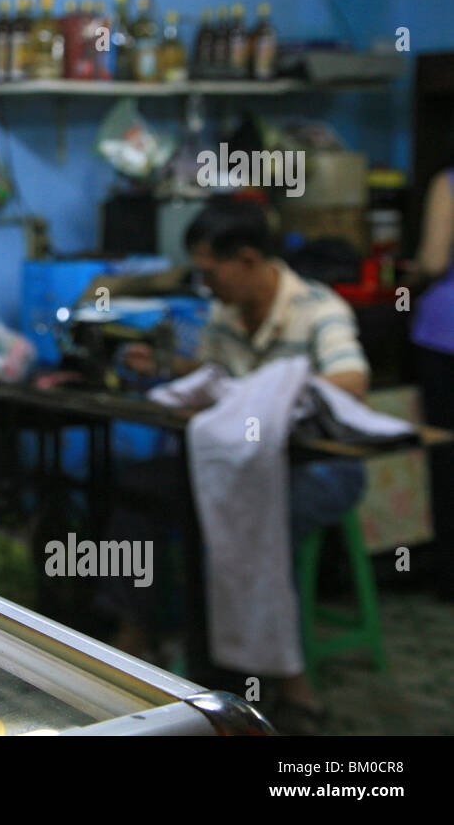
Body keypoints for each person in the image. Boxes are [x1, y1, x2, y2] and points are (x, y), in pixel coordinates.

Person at [114, 196, 369, 732]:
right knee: (143, 488)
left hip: (319, 468)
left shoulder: (318, 308)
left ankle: (292, 680)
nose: (205, 284)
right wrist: (165, 367)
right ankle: (139, 639)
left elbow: (353, 382)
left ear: (248, 259)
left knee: (263, 520)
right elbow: (213, 377)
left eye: (211, 270)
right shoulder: (225, 315)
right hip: (244, 464)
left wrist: (273, 392)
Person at [409, 169, 454, 601]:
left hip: (446, 336)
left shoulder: (447, 183)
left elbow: (435, 261)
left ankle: (448, 576)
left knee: (446, 455)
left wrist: (414, 272)